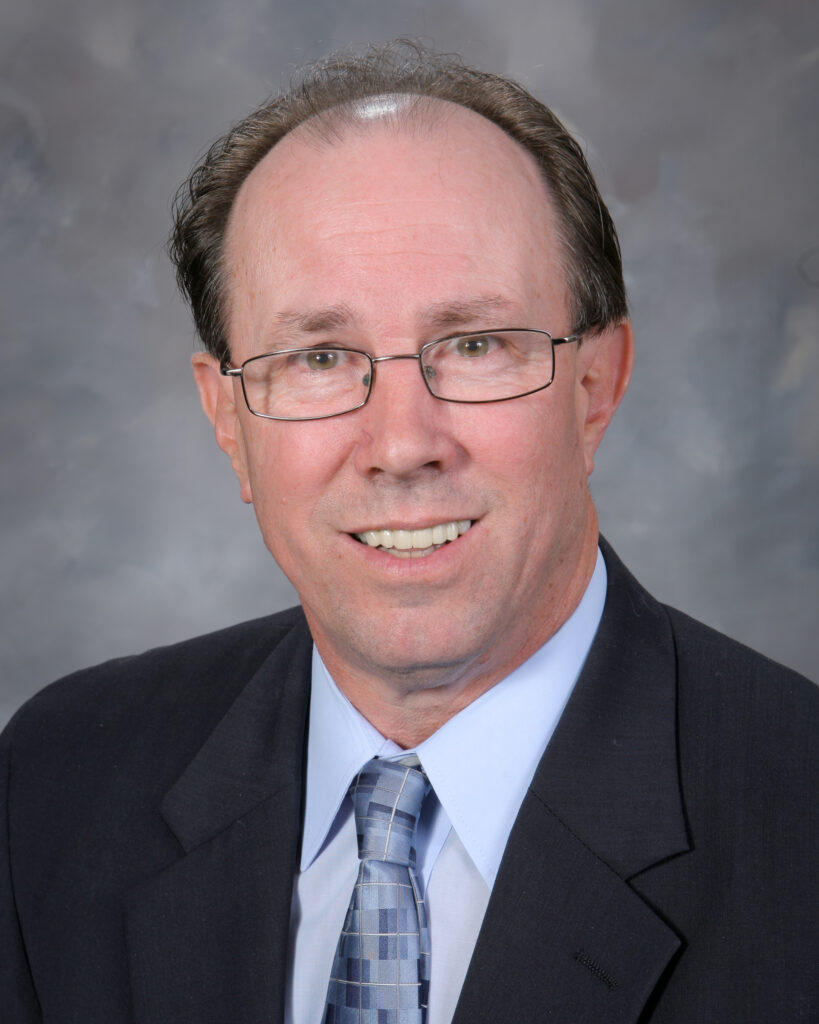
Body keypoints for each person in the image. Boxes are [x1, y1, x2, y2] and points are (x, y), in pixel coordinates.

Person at [1, 41, 815, 1024]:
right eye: (319, 356)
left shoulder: (796, 824)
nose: (399, 444)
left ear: (596, 387)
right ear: (228, 419)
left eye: (474, 344)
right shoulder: (56, 784)